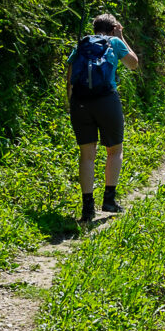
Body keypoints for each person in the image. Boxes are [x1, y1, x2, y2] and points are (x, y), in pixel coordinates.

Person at [66, 13, 139, 222]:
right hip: (107, 101)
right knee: (114, 150)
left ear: (94, 27)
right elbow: (133, 64)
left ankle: (87, 208)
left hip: (80, 102)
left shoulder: (82, 43)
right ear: (113, 28)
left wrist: (71, 102)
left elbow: (70, 75)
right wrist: (122, 37)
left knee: (87, 155)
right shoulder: (114, 42)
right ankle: (109, 200)